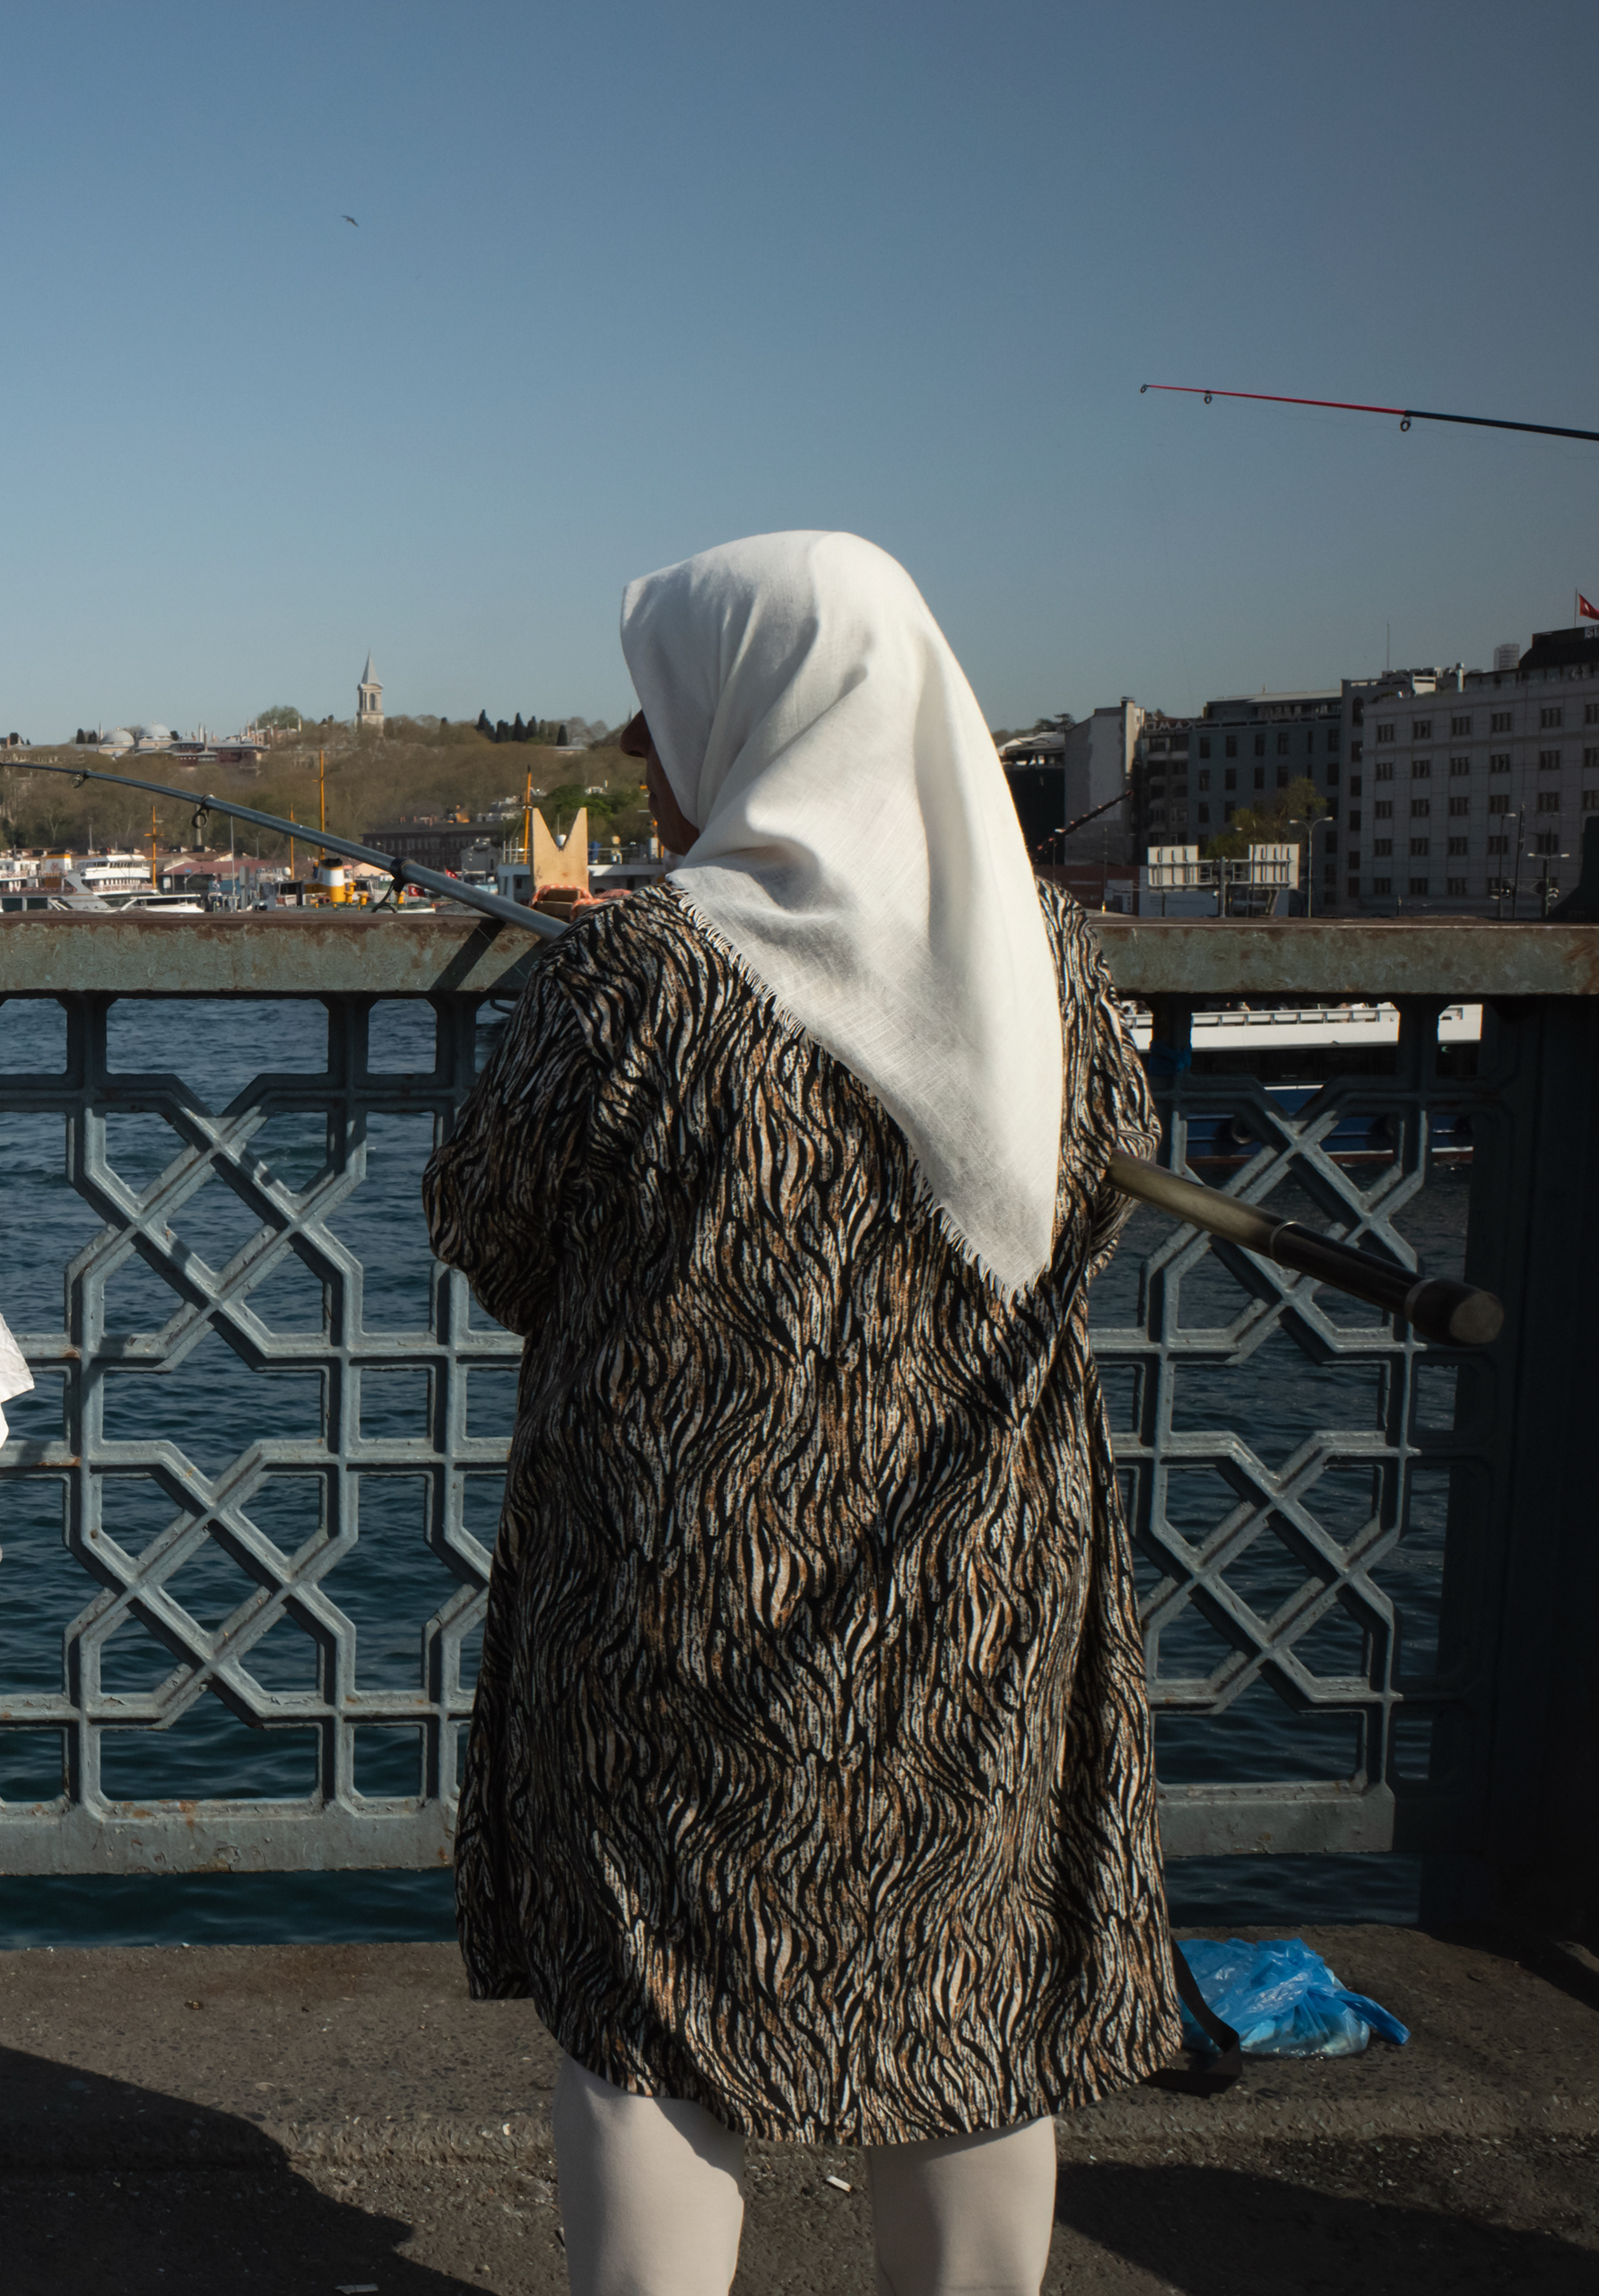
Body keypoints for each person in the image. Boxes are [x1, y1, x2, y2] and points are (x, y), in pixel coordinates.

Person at [423, 532, 1179, 2295]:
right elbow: (1102, 1204)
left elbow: (487, 1224)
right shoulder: (1049, 964)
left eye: (662, 716)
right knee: (967, 1975)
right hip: (975, 1571)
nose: (646, 753)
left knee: (651, 2008)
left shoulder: (638, 974)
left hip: (677, 1594)